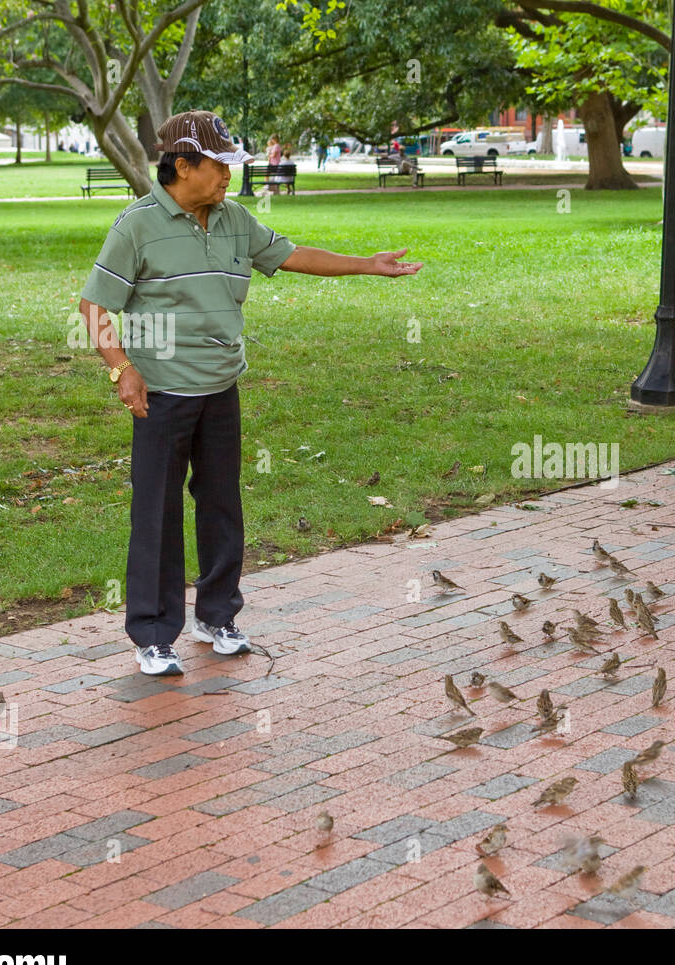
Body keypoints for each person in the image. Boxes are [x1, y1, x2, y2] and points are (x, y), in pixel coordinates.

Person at [77, 110, 422, 676]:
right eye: (219, 166)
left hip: (220, 388)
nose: (228, 178)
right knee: (157, 514)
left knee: (221, 505)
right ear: (182, 166)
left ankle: (216, 616)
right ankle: (154, 633)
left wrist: (368, 266)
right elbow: (93, 307)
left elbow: (289, 255)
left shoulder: (234, 218)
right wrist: (121, 369)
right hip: (162, 393)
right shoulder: (136, 226)